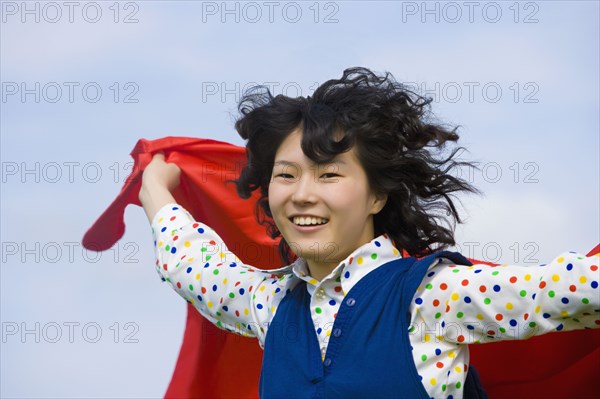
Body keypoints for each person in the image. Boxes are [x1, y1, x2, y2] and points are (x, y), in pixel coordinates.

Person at [139, 67, 599, 399]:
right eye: (286, 175)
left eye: (328, 175)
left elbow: (574, 287)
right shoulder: (269, 305)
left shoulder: (434, 296)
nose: (302, 195)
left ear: (377, 197)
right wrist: (155, 191)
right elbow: (193, 266)